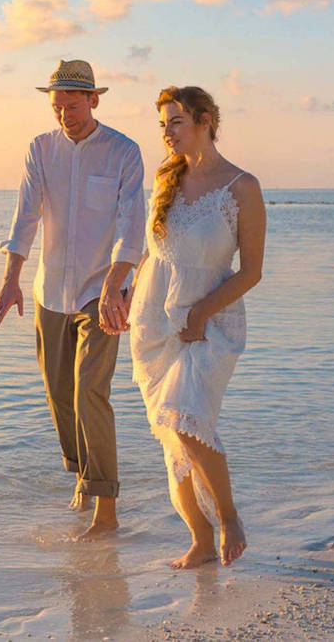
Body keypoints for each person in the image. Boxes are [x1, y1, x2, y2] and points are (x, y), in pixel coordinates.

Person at [0, 60, 146, 540]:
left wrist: (119, 282)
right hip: (50, 292)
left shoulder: (124, 152)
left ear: (94, 99)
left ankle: (106, 510)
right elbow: (25, 218)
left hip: (102, 293)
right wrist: (10, 278)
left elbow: (131, 223)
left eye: (72, 105)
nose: (65, 115)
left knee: (88, 392)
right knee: (59, 396)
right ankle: (82, 475)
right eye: (57, 106)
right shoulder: (41, 149)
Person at [124, 86, 265, 568]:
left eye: (175, 122)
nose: (166, 133)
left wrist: (202, 312)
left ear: (205, 120)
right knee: (169, 432)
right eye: (163, 124)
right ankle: (200, 540)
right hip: (154, 320)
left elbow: (252, 270)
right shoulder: (167, 179)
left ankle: (228, 518)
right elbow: (154, 253)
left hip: (210, 322)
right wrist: (121, 293)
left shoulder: (241, 186)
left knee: (186, 420)